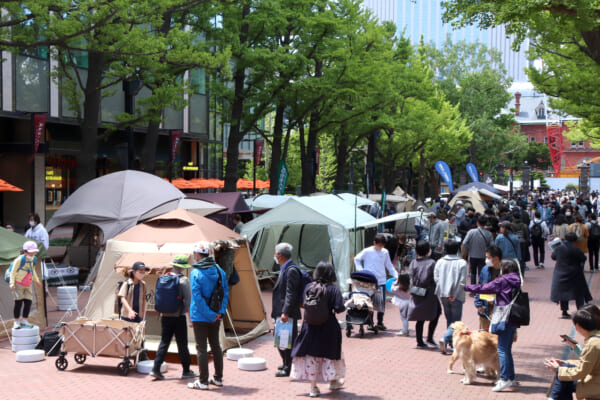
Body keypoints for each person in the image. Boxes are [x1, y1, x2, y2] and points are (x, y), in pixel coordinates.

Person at [464, 259, 523, 392]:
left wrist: (466, 287)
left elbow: (484, 288)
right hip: (513, 318)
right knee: (506, 349)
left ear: (505, 268)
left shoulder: (503, 280)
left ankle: (504, 379)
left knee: (502, 349)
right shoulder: (517, 279)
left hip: (504, 318)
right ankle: (510, 377)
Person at [291, 262, 346, 398]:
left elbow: (304, 303)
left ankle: (313, 387)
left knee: (312, 356)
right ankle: (333, 381)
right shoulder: (333, 289)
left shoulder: (309, 287)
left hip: (309, 327)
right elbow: (339, 307)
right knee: (331, 354)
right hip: (328, 327)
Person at [188, 242, 229, 390]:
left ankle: (203, 381)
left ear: (198, 255)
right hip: (216, 316)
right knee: (216, 346)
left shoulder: (195, 272)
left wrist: (209, 314)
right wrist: (220, 313)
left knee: (202, 348)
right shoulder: (219, 270)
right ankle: (218, 378)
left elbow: (197, 298)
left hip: (200, 316)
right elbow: (225, 293)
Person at [150, 255, 196, 381]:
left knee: (164, 342)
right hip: (178, 316)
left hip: (164, 316)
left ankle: (156, 369)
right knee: (182, 344)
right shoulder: (183, 280)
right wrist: (188, 316)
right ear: (183, 268)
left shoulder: (163, 278)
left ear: (173, 265)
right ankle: (186, 371)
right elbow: (188, 301)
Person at [544, 309, 600, 400]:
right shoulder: (595, 338)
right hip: (595, 380)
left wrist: (558, 369)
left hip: (596, 385)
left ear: (577, 326)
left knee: (562, 377)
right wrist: (563, 363)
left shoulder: (593, 343)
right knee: (564, 371)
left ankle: (551, 398)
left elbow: (581, 371)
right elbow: (588, 364)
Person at [354, 233, 398, 331]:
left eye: (382, 245)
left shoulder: (385, 252)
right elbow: (356, 259)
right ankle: (370, 322)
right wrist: (361, 271)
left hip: (381, 281)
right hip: (369, 281)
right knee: (369, 303)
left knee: (380, 303)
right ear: (374, 243)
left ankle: (380, 323)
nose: (381, 247)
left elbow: (389, 265)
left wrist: (396, 275)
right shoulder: (367, 251)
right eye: (379, 245)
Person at [272, 242, 302, 377]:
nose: (274, 256)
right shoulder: (286, 268)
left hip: (286, 311)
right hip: (282, 309)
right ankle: (285, 362)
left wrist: (285, 312)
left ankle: (288, 367)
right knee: (281, 339)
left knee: (287, 340)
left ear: (279, 255)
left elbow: (291, 293)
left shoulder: (291, 270)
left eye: (275, 253)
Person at [434, 239, 468, 355]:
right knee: (456, 321)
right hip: (456, 295)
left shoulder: (439, 262)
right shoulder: (462, 263)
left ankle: (450, 341)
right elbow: (462, 281)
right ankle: (446, 339)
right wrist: (455, 293)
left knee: (449, 319)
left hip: (443, 295)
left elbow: (436, 278)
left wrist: (444, 291)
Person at [407, 241, 441, 349]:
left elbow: (411, 277)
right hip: (429, 293)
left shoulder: (413, 262)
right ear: (428, 250)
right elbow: (433, 278)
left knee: (420, 317)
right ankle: (429, 337)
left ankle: (419, 341)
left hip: (417, 292)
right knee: (436, 313)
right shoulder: (432, 262)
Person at [550, 232, 592, 319]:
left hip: (561, 272)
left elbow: (553, 257)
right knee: (579, 292)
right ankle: (580, 310)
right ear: (574, 240)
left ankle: (564, 311)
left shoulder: (559, 248)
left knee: (563, 293)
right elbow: (583, 258)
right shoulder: (576, 249)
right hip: (575, 273)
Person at [9, 241, 42, 329]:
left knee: (28, 302)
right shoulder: (19, 260)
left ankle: (24, 320)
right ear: (25, 251)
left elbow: (32, 270)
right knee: (18, 303)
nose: (33, 253)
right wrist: (12, 283)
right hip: (18, 284)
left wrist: (37, 281)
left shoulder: (33, 259)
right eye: (31, 252)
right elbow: (13, 272)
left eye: (34, 252)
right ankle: (16, 321)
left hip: (28, 284)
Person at [474, 246, 503, 331]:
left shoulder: (506, 272)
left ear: (496, 259)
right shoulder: (485, 270)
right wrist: (478, 304)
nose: (486, 260)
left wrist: (494, 301)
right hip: (485, 309)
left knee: (497, 338)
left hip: (500, 311)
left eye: (488, 258)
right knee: (483, 338)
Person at [461, 215, 493, 285]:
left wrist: (469, 248)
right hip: (483, 256)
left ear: (477, 222)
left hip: (473, 255)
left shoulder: (471, 232)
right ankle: (480, 288)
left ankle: (473, 289)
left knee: (473, 272)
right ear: (485, 223)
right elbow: (492, 246)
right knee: (481, 272)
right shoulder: (489, 234)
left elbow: (464, 243)